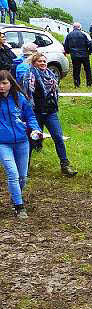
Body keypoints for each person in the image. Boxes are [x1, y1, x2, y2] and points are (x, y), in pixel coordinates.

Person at [23, 52, 76, 176]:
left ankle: (65, 165)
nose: (42, 63)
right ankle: (24, 167)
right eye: (40, 61)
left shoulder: (51, 75)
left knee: (58, 137)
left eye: (44, 61)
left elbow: (55, 93)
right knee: (32, 139)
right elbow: (26, 96)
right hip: (35, 113)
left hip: (51, 112)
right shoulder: (29, 76)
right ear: (34, 63)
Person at [0, 69, 41, 218]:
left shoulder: (20, 98)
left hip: (22, 142)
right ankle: (19, 206)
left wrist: (35, 129)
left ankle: (15, 196)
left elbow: (30, 117)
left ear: (11, 83)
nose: (1, 86)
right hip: (3, 143)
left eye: (4, 83)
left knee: (22, 176)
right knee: (12, 173)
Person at [63, 22, 92, 88]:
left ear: (73, 27)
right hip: (85, 54)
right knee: (87, 69)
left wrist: (68, 52)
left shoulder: (68, 35)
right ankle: (89, 84)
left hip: (74, 55)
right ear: (80, 27)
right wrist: (90, 51)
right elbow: (90, 43)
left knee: (76, 70)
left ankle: (77, 84)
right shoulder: (85, 34)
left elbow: (66, 45)